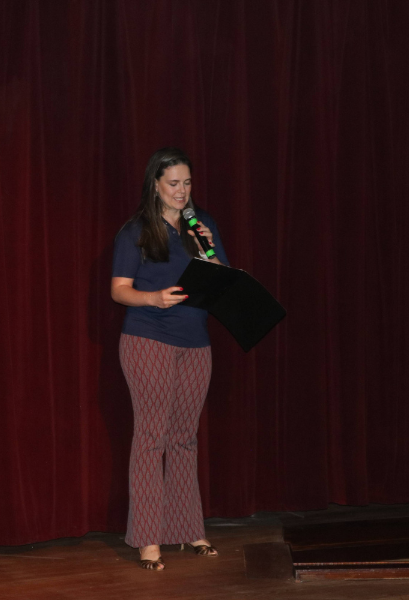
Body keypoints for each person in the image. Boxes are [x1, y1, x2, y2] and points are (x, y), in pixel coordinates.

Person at [111, 147, 229, 571]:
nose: (182, 191)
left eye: (187, 183)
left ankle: (188, 528)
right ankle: (147, 539)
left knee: (184, 437)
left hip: (195, 341)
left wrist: (208, 250)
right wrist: (153, 298)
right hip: (149, 338)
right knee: (151, 437)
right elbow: (119, 289)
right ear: (155, 185)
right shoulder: (137, 230)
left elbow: (223, 280)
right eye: (173, 183)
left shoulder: (201, 225)